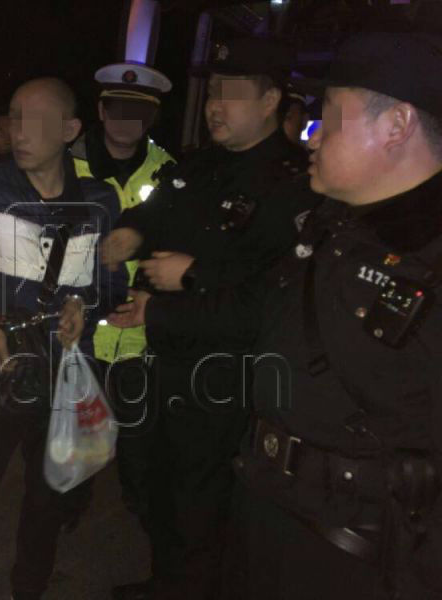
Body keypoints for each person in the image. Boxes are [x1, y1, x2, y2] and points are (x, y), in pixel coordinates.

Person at [226, 30, 442, 600]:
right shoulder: (333, 222)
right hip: (270, 506)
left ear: (396, 125)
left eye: (329, 116)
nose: (312, 134)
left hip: (359, 549)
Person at [101, 37, 315, 600]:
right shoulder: (196, 164)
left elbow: (273, 298)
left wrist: (193, 278)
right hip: (160, 355)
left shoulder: (294, 183)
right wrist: (131, 231)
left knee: (202, 500)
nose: (215, 105)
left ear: (270, 100)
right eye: (213, 92)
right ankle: (167, 580)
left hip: (223, 372)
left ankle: (190, 587)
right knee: (150, 481)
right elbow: (154, 212)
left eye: (231, 94)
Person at [0, 77, 123, 600]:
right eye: (14, 117)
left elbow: (112, 282)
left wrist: (84, 306)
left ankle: (30, 586)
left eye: (35, 120)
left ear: (70, 129)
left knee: (47, 497)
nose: (19, 131)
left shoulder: (99, 200)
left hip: (62, 371)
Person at [71, 61, 174, 368]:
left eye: (138, 112)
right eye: (118, 109)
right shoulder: (63, 168)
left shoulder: (171, 174)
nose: (127, 120)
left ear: (152, 117)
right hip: (76, 337)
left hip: (140, 345)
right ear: (101, 111)